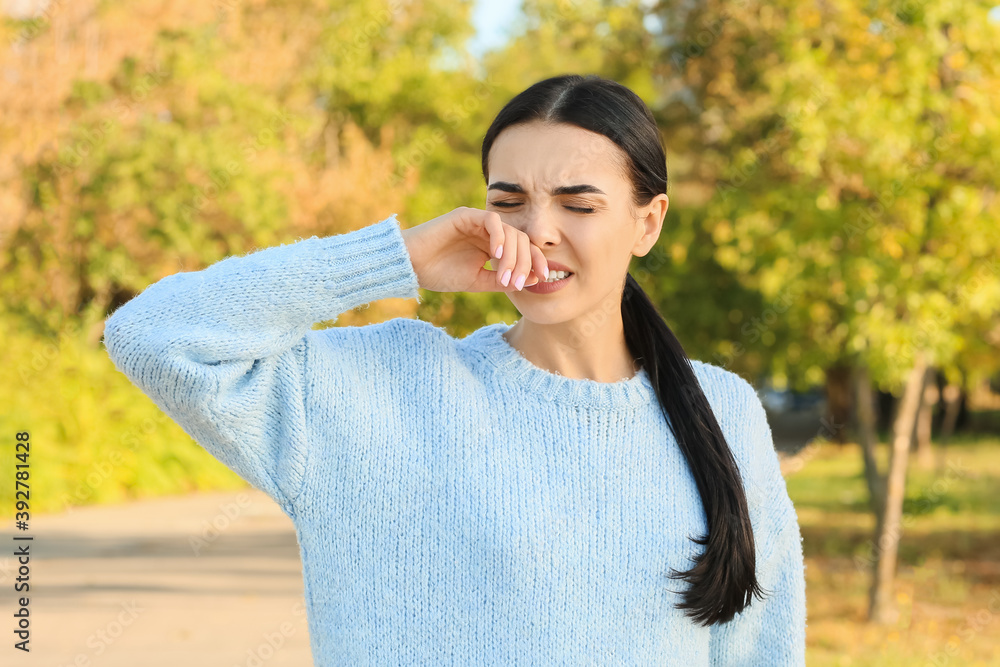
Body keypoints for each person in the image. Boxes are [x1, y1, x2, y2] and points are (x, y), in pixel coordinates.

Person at [103, 73, 806, 665]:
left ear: (648, 223)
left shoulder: (724, 408)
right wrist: (392, 258)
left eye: (578, 204)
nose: (539, 229)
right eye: (508, 202)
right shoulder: (379, 390)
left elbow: (759, 646)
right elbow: (152, 335)